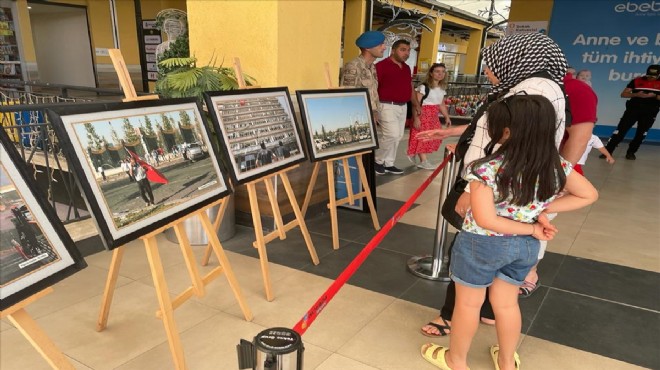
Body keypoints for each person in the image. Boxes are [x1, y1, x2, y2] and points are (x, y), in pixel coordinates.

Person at [420, 94, 598, 370]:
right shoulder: (554, 166)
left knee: (468, 305)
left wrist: (533, 223)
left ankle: (456, 361)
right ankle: (506, 362)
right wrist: (539, 212)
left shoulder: (485, 169)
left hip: (480, 245)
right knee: (506, 305)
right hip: (524, 247)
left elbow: (486, 220)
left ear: (506, 130)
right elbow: (589, 194)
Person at [415, 32, 569, 338]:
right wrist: (450, 133)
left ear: (517, 58)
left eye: (492, 63)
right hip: (517, 191)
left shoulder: (529, 90)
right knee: (502, 262)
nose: (487, 70)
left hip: (491, 186)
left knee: (469, 248)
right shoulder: (540, 87)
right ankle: (489, 313)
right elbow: (494, 128)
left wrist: (471, 190)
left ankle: (451, 316)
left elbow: (498, 136)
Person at [374, 39, 420, 175]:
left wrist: (416, 104)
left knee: (398, 135)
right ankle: (377, 160)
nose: (406, 53)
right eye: (403, 49)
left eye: (408, 50)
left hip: (402, 106)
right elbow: (374, 88)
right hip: (386, 105)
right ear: (393, 50)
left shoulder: (406, 68)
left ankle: (388, 163)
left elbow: (410, 87)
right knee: (391, 135)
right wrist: (374, 109)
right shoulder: (381, 66)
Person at [602, 64, 660, 160]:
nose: (650, 78)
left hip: (650, 113)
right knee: (620, 131)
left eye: (653, 76)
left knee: (641, 134)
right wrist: (637, 94)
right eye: (649, 75)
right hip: (632, 110)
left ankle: (631, 152)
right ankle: (608, 151)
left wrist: (653, 96)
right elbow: (623, 94)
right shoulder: (637, 80)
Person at [407, 63, 452, 170]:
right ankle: (423, 161)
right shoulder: (424, 87)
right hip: (423, 114)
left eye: (443, 71)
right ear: (431, 74)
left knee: (434, 136)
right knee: (424, 137)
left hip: (433, 116)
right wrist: (416, 118)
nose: (440, 74)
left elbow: (441, 104)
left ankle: (415, 153)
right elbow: (416, 103)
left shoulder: (441, 88)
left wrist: (446, 116)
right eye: (437, 71)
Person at [340, 31, 386, 124]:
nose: (384, 47)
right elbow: (347, 96)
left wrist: (375, 111)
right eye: (380, 45)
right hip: (359, 118)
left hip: (371, 116)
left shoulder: (372, 67)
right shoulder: (353, 66)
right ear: (368, 48)